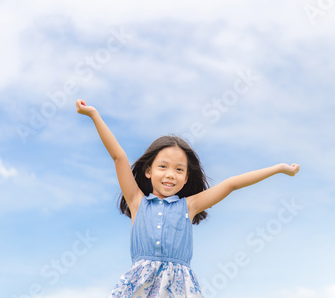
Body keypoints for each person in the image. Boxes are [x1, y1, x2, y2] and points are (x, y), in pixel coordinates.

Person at [75, 99, 300, 297]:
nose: (170, 174)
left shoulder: (189, 205)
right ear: (148, 171)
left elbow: (231, 184)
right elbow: (118, 156)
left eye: (179, 170)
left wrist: (278, 168)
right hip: (140, 286)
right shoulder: (137, 201)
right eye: (163, 166)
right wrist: (94, 115)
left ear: (186, 178)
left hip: (180, 288)